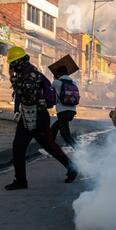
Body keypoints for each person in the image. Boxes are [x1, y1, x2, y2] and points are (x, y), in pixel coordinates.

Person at [4, 47, 77, 190]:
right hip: (28, 116)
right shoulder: (26, 72)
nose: (11, 67)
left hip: (37, 117)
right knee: (19, 147)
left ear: (19, 62)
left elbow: (28, 97)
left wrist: (12, 78)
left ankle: (72, 167)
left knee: (48, 146)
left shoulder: (30, 75)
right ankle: (20, 180)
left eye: (12, 63)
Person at [51, 66, 79, 148]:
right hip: (72, 111)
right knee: (55, 127)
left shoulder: (56, 82)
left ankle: (79, 151)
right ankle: (49, 146)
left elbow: (51, 94)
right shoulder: (74, 83)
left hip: (62, 111)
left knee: (64, 133)